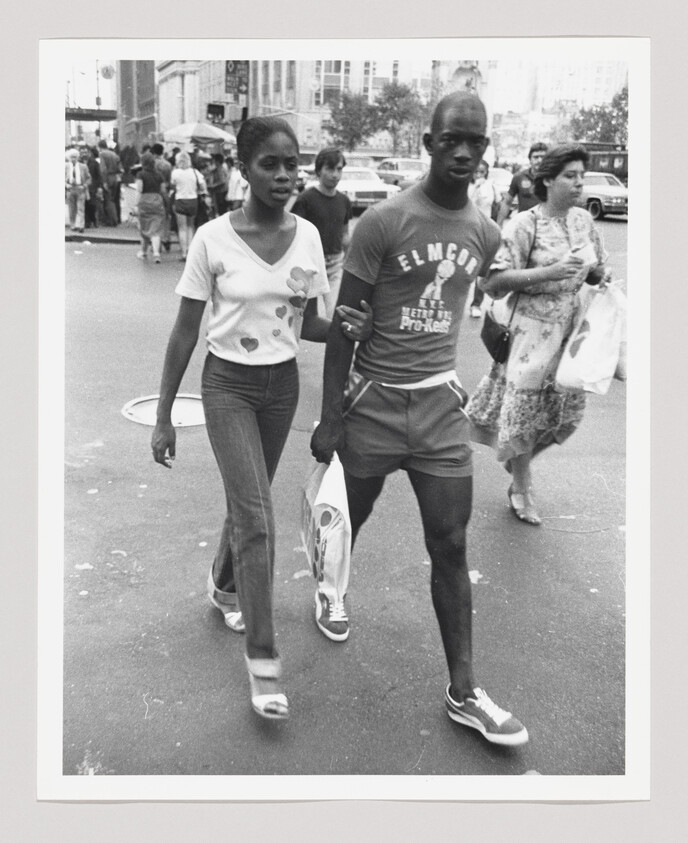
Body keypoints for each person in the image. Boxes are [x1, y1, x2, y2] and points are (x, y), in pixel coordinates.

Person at [310, 91, 529, 746]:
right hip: (373, 400)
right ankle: (327, 584)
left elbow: (489, 316)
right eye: (451, 139)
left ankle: (464, 690)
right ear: (428, 142)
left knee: (451, 543)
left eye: (476, 142)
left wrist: (520, 354)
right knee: (347, 520)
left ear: (485, 151)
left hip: (438, 407)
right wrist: (329, 418)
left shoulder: (486, 232)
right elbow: (346, 328)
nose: (464, 152)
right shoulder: (383, 221)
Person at [151, 116, 373, 722]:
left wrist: (350, 326)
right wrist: (164, 414)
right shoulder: (211, 240)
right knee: (258, 517)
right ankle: (264, 662)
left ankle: (224, 585)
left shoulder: (307, 239)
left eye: (290, 163)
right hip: (227, 387)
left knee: (247, 505)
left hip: (282, 390)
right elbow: (185, 331)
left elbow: (308, 323)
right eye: (270, 164)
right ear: (245, 169)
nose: (284, 174)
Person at [466, 144, 609, 526]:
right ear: (547, 180)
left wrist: (598, 276)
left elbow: (595, 266)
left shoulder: (582, 221)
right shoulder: (524, 225)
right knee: (525, 418)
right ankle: (522, 486)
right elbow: (492, 282)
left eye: (581, 175)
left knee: (566, 417)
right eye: (570, 175)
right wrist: (548, 273)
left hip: (571, 334)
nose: (578, 183)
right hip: (530, 336)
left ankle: (517, 464)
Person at [291, 146, 353, 319]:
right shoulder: (306, 199)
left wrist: (348, 263)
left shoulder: (344, 201)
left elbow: (346, 235)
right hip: (309, 266)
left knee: (336, 313)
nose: (335, 174)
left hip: (335, 265)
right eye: (330, 168)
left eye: (339, 169)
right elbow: (294, 234)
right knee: (298, 316)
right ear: (319, 170)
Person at [467, 159, 501, 317]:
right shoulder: (466, 185)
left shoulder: (492, 186)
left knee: (481, 269)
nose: (479, 174)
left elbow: (497, 205)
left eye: (482, 171)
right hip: (466, 229)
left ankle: (476, 304)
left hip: (483, 231)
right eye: (476, 171)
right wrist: (476, 188)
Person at [496, 142, 548, 227]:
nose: (539, 160)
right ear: (530, 159)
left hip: (546, 227)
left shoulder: (554, 179)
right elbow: (507, 202)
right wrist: (499, 225)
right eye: (536, 157)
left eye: (543, 157)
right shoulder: (519, 177)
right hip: (524, 226)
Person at [170, 151, 209, 262]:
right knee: (190, 226)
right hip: (193, 201)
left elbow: (172, 185)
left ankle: (183, 253)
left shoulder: (175, 173)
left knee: (181, 228)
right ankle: (191, 251)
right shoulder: (195, 172)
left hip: (180, 200)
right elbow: (202, 186)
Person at [133, 151, 167, 263]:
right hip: (157, 201)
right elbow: (163, 190)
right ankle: (156, 253)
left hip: (145, 201)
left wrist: (136, 205)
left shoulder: (140, 175)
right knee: (156, 229)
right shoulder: (159, 175)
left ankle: (143, 251)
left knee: (144, 228)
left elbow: (139, 190)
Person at [151, 143, 173, 252]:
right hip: (165, 192)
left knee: (155, 217)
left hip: (154, 192)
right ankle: (166, 238)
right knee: (166, 217)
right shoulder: (168, 165)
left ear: (153, 152)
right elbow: (170, 181)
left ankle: (156, 242)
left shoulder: (151, 164)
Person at [64, 148, 91, 232]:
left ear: (78, 157)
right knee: (72, 209)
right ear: (69, 157)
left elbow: (89, 178)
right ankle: (73, 225)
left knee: (81, 208)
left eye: (75, 157)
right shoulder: (65, 166)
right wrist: (66, 185)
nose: (73, 159)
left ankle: (81, 226)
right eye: (72, 157)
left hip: (80, 189)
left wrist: (84, 186)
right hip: (70, 189)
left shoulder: (83, 166)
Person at [98, 139, 123, 226]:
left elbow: (103, 169)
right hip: (115, 178)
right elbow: (120, 169)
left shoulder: (102, 154)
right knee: (115, 199)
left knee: (108, 199)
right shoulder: (115, 154)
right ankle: (117, 218)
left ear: (100, 147)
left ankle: (112, 220)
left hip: (108, 177)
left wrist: (104, 181)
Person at [206, 153, 230, 218]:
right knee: (222, 211)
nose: (213, 162)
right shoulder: (221, 168)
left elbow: (222, 181)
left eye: (214, 160)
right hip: (223, 192)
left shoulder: (220, 168)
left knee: (221, 211)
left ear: (217, 161)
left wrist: (213, 186)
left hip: (221, 193)